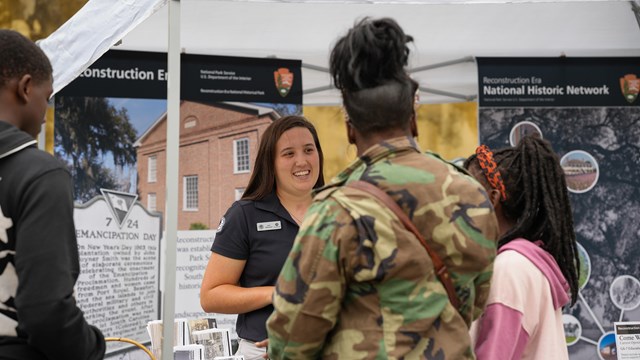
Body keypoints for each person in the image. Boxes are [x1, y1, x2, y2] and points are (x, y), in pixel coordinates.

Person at [266, 18, 499, 359]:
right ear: (413, 119)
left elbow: (290, 341)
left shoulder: (336, 211)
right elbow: (475, 303)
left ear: (349, 129)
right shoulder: (471, 194)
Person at [0, 30, 105, 359]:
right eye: (47, 97)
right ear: (26, 87)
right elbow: (45, 310)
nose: (46, 110)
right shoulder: (40, 174)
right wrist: (93, 347)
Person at [200, 115, 325, 360]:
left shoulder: (338, 209)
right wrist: (279, 293)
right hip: (265, 352)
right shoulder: (245, 215)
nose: (302, 161)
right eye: (288, 153)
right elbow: (211, 295)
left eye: (309, 150)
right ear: (271, 162)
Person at [464, 136, 580, 360]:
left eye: (467, 191)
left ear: (493, 198)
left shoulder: (510, 268)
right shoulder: (524, 262)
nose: (457, 200)